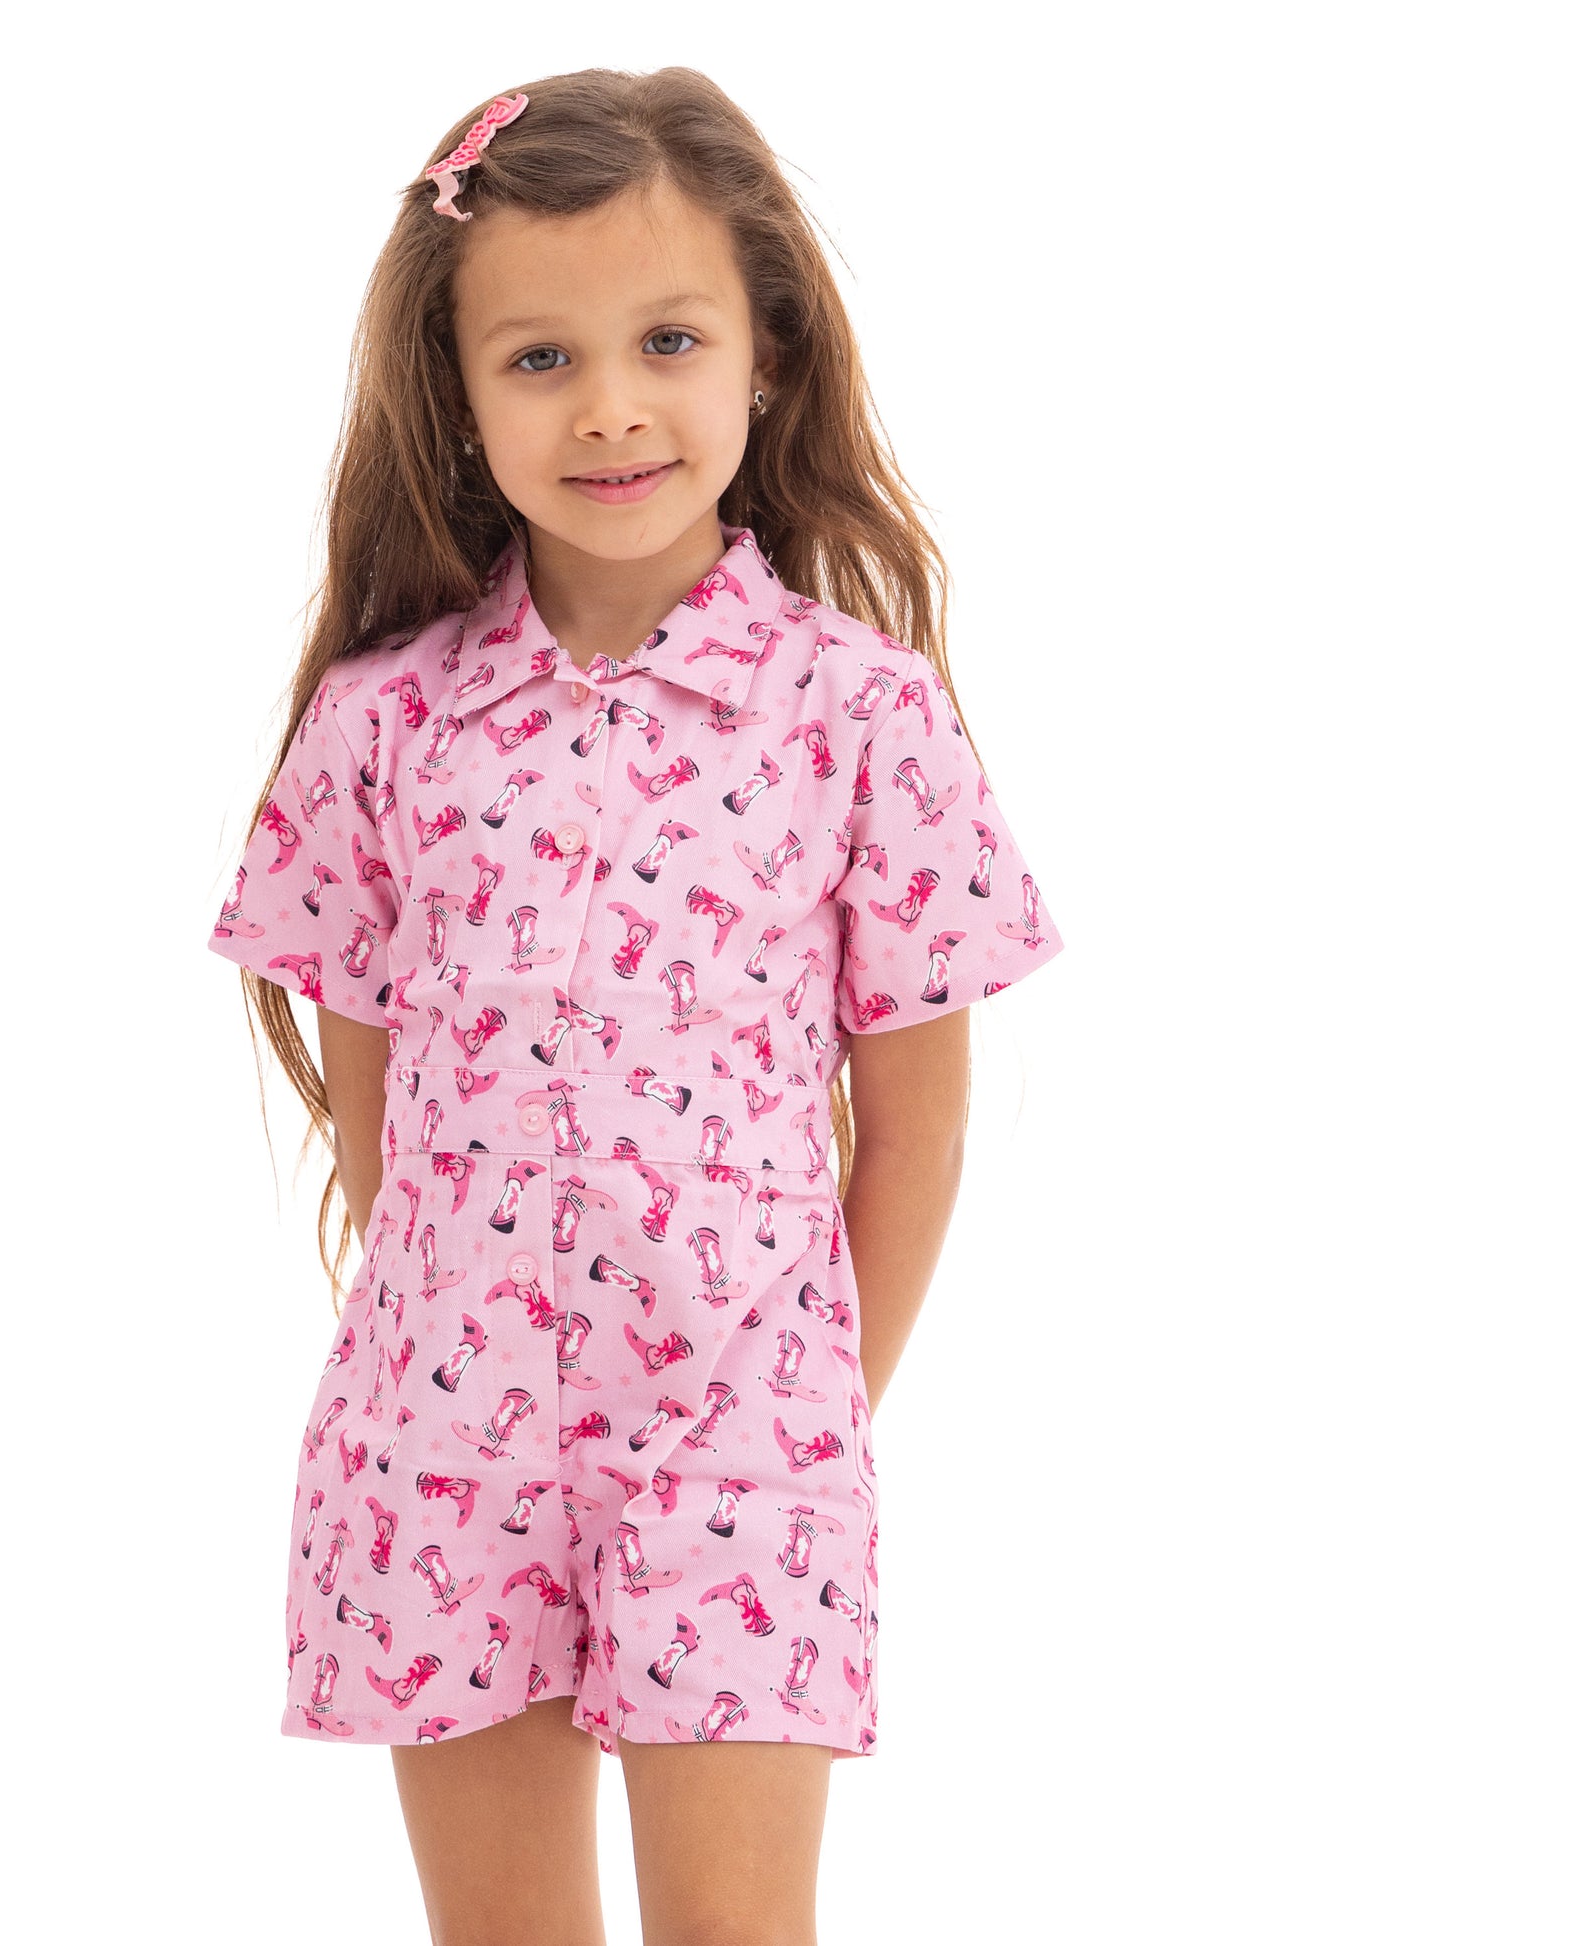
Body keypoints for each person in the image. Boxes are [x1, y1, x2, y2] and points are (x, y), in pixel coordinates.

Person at [207, 66, 1067, 1946]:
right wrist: (461, 1352)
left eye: (667, 340)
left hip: (742, 1444)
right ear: (458, 396)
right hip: (444, 1445)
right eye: (540, 358)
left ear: (763, 357)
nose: (609, 405)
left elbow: (915, 1128)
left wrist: (802, 1418)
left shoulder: (860, 716)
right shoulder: (382, 724)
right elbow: (376, 1112)